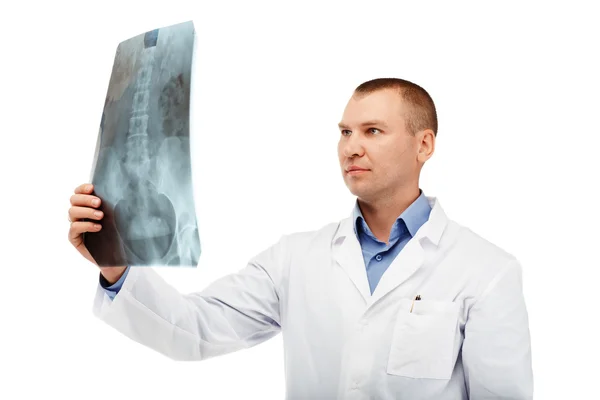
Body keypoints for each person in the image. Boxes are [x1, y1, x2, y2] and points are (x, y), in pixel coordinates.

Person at [68, 78, 533, 399]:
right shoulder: (296, 259)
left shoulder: (485, 270)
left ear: (424, 145)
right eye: (346, 132)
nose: (352, 146)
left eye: (373, 131)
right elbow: (195, 330)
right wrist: (115, 265)